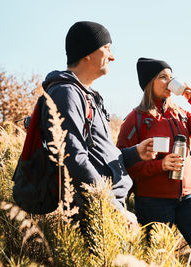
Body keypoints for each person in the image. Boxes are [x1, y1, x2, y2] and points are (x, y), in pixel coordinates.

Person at [39, 22, 155, 225]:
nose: (112, 56)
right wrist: (113, 209)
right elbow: (74, 159)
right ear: (87, 53)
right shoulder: (66, 93)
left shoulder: (86, 95)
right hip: (95, 213)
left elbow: (96, 155)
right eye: (107, 48)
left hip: (106, 207)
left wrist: (135, 153)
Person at [116, 57, 191, 257]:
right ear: (149, 83)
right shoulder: (135, 120)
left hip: (189, 198)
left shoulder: (179, 114)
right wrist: (160, 165)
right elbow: (123, 165)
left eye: (171, 77)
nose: (170, 82)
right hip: (153, 203)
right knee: (156, 260)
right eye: (163, 77)